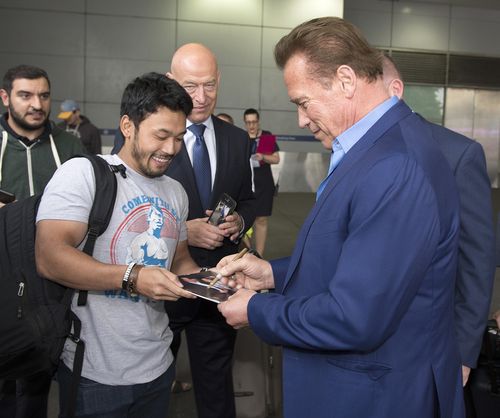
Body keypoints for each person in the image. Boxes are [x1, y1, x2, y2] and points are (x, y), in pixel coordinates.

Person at [216, 17, 465, 418]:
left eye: (303, 102)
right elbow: (356, 257)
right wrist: (272, 274)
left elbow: (356, 317)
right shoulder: (378, 148)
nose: (300, 119)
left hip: (373, 396)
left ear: (346, 81)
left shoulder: (392, 165)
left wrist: (256, 310)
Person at [35, 72, 200, 417]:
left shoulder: (176, 193)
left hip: (158, 366)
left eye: (179, 138)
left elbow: (181, 262)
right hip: (94, 373)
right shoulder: (83, 174)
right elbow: (50, 258)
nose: (171, 149)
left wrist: (219, 282)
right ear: (128, 125)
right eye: (161, 135)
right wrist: (133, 277)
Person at [112, 44, 255, 418]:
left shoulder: (238, 141)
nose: (202, 97)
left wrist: (239, 222)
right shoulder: (141, 134)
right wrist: (183, 233)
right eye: (191, 86)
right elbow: (125, 207)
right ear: (172, 81)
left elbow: (251, 202)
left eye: (210, 85)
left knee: (216, 385)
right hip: (158, 286)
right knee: (150, 382)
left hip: (216, 284)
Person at [382, 54, 496, 400]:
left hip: (433, 347)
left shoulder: (457, 154)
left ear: (394, 91)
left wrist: (463, 350)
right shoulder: (352, 153)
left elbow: (478, 258)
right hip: (371, 342)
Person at [0, 64, 85, 418]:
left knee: (40, 376)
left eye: (44, 95)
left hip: (52, 284)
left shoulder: (70, 146)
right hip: (3, 282)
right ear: (5, 98)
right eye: (25, 95)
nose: (37, 103)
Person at [243, 108, 280, 256]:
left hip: (264, 183)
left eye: (254, 122)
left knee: (261, 219)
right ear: (244, 123)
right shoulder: (241, 137)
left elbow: (276, 159)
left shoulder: (265, 137)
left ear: (258, 122)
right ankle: (245, 251)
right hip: (245, 183)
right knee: (244, 219)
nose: (251, 125)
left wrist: (263, 156)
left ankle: (259, 255)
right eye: (248, 122)